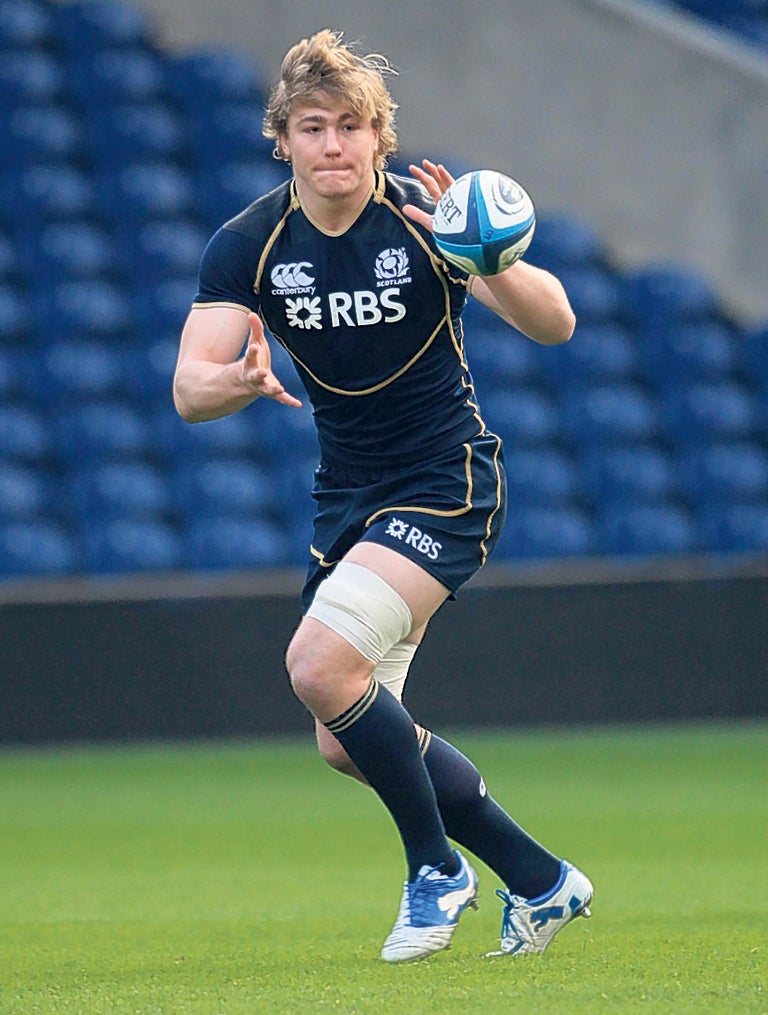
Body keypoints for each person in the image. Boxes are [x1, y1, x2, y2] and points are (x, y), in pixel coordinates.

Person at [174, 28, 593, 962]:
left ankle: (434, 871)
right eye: (313, 127)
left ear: (379, 137)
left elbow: (557, 323)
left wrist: (491, 261)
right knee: (344, 736)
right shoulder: (249, 243)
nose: (335, 145)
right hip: (349, 497)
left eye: (352, 126)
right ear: (280, 139)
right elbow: (189, 388)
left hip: (447, 479)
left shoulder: (426, 218)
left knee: (319, 668)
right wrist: (236, 383)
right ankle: (541, 879)